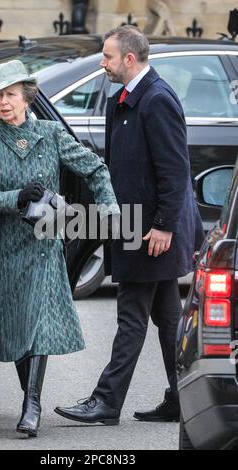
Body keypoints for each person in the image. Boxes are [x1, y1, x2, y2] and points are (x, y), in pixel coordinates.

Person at [54, 26, 204, 425]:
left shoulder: (156, 100)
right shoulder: (122, 99)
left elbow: (175, 170)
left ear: (130, 60)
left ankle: (106, 402)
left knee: (131, 317)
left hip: (151, 233)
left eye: (107, 56)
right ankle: (183, 398)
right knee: (169, 319)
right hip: (135, 227)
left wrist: (164, 227)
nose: (102, 63)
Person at [0, 59, 120, 437]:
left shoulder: (52, 134)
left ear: (27, 98)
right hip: (6, 248)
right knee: (18, 325)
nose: (3, 102)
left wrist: (110, 211)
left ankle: (30, 404)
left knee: (37, 320)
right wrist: (16, 197)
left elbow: (95, 169)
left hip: (44, 243)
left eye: (11, 95)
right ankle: (29, 395)